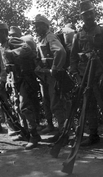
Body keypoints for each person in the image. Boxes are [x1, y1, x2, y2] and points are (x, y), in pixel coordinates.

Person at [70, 0, 103, 149]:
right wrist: (76, 74)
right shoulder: (78, 35)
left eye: (90, 13)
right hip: (84, 77)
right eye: (85, 14)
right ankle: (93, 135)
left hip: (100, 75)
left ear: (94, 13)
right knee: (89, 107)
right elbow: (73, 57)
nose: (88, 16)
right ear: (81, 17)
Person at [0, 21, 41, 150]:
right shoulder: (3, 46)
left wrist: (12, 53)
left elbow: (26, 49)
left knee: (25, 106)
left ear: (4, 33)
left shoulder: (12, 41)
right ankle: (25, 133)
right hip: (14, 80)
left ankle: (34, 135)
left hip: (24, 78)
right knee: (18, 107)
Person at [33, 14, 67, 142]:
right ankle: (60, 130)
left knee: (56, 104)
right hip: (44, 76)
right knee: (48, 103)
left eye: (38, 26)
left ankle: (64, 132)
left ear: (45, 26)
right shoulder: (41, 39)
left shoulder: (50, 37)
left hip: (53, 77)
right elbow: (39, 57)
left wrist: (54, 68)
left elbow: (60, 51)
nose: (36, 28)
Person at [8, 26, 43, 132]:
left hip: (28, 77)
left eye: (14, 35)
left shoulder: (25, 45)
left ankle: (35, 127)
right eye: (11, 35)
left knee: (29, 103)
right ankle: (26, 129)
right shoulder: (11, 46)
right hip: (18, 78)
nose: (12, 37)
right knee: (20, 104)